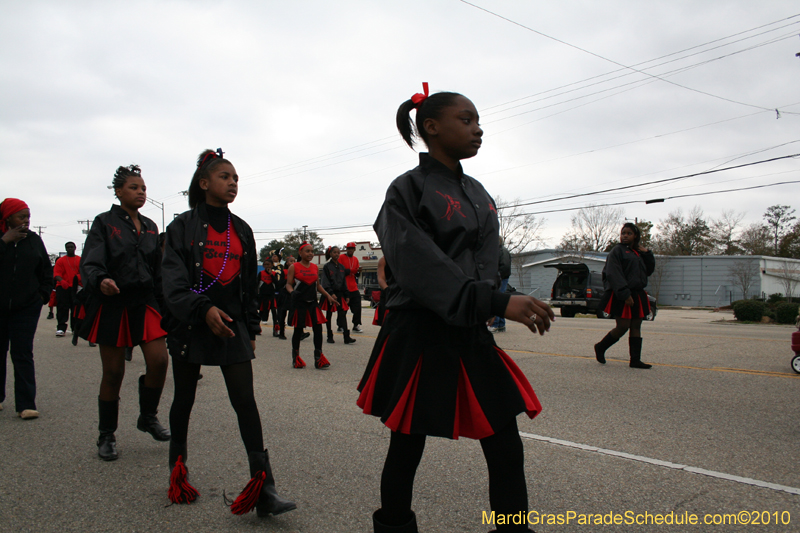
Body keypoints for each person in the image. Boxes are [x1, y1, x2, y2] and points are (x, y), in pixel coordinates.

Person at [356, 84, 554, 533]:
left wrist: (491, 297)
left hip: (467, 327)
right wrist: (496, 300)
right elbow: (420, 265)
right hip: (420, 331)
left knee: (505, 439)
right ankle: (394, 526)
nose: (477, 129)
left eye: (478, 120)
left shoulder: (480, 193)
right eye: (465, 119)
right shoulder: (405, 189)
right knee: (407, 443)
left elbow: (488, 260)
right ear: (431, 127)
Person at [161, 148, 295, 516]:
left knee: (245, 403)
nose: (233, 183)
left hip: (231, 327)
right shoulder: (180, 227)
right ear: (205, 183)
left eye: (236, 178)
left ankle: (263, 488)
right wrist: (203, 310)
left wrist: (250, 327)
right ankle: (178, 475)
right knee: (184, 400)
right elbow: (172, 285)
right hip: (191, 323)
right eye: (225, 177)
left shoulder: (243, 229)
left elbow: (249, 289)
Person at [79, 165, 171, 461]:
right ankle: (106, 434)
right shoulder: (104, 222)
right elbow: (90, 262)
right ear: (118, 192)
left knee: (159, 360)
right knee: (114, 372)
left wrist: (167, 304)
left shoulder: (152, 227)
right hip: (113, 301)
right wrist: (100, 280)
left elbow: (158, 270)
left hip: (144, 302)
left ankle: (148, 416)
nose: (141, 192)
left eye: (143, 188)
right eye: (134, 187)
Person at [0, 198, 52, 419]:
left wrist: (41, 296)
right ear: (8, 218)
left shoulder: (33, 241)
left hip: (25, 308)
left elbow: (45, 272)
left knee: (22, 353)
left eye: (28, 217)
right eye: (21, 217)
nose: (26, 221)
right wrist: (4, 241)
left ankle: (26, 404)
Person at [594, 222, 656, 369]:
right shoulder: (617, 251)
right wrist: (624, 294)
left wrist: (647, 254)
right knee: (622, 326)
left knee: (636, 325)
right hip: (623, 293)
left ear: (636, 236)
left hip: (638, 293)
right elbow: (613, 273)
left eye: (629, 233)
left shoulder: (638, 253)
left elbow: (648, 270)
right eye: (623, 233)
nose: (625, 236)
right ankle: (600, 347)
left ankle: (635, 360)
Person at [286, 242, 336, 368]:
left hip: (313, 302)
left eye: (312, 251)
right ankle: (296, 358)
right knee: (298, 330)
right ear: (300, 253)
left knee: (318, 329)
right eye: (307, 251)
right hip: (299, 303)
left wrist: (328, 296)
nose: (310, 254)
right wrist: (292, 292)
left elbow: (318, 286)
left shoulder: (315, 267)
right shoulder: (294, 267)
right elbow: (288, 284)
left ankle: (318, 358)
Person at [321, 246, 355, 344]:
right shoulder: (327, 266)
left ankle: (346, 336)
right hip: (330, 294)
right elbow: (325, 282)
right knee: (329, 314)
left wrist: (347, 294)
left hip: (340, 294)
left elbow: (344, 282)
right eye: (334, 252)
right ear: (330, 254)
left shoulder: (341, 267)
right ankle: (329, 335)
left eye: (338, 252)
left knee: (342, 314)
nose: (337, 254)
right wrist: (330, 293)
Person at [53, 241, 81, 337]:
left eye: (71, 247)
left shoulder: (79, 260)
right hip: (63, 287)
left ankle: (75, 328)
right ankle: (61, 328)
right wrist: (61, 281)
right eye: (68, 247)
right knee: (62, 308)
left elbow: (83, 272)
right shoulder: (60, 260)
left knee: (75, 308)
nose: (70, 248)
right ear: (65, 249)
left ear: (75, 248)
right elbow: (56, 274)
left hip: (75, 287)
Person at [339, 242, 363, 332]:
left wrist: (358, 271)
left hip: (354, 287)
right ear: (346, 249)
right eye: (349, 248)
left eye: (352, 248)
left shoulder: (356, 259)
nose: (350, 250)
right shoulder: (341, 257)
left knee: (357, 308)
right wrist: (351, 270)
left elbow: (356, 274)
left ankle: (356, 325)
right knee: (343, 309)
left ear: (354, 249)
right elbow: (341, 271)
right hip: (344, 288)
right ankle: (340, 325)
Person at [489, 239, 511, 333]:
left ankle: (496, 324)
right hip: (503, 277)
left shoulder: (500, 251)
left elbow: (504, 266)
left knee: (497, 300)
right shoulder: (503, 251)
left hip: (501, 278)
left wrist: (498, 276)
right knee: (500, 300)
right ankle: (501, 324)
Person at [274, 254, 294, 340]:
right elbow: (279, 284)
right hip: (285, 295)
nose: (293, 262)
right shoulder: (284, 272)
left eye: (294, 261)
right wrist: (288, 280)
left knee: (296, 313)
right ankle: (282, 332)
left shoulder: (296, 271)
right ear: (287, 263)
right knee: (283, 314)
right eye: (291, 261)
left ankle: (300, 333)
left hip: (293, 294)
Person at [258, 257, 279, 337]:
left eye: (268, 265)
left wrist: (271, 274)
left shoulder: (274, 274)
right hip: (263, 297)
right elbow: (257, 285)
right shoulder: (261, 273)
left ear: (272, 265)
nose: (267, 266)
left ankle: (275, 330)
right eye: (265, 264)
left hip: (271, 296)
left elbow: (277, 284)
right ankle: (257, 328)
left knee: (274, 313)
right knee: (261, 313)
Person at [372, 256, 389, 327]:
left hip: (404, 293)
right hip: (388, 292)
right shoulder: (383, 260)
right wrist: (388, 290)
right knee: (385, 323)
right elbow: (381, 279)